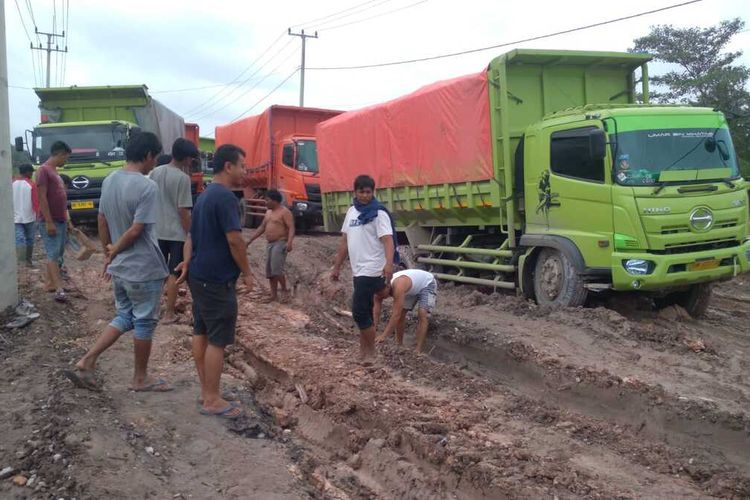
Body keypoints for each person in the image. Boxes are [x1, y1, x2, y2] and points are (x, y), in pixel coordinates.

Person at [66, 132, 171, 392]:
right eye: (155, 157)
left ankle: (87, 359)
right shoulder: (147, 186)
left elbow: (101, 219)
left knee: (125, 315)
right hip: (143, 267)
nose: (154, 163)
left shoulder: (110, 179)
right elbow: (137, 230)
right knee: (144, 322)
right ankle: (140, 378)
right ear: (148, 155)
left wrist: (108, 253)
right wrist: (113, 252)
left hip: (122, 267)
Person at [176, 144, 252, 419]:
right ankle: (211, 399)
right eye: (242, 166)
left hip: (200, 275)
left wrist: (187, 263)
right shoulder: (226, 198)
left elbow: (191, 236)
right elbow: (235, 240)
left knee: (202, 332)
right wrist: (248, 273)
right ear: (229, 166)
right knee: (218, 341)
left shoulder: (205, 195)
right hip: (217, 279)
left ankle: (207, 390)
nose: (245, 172)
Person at [331, 174, 396, 360]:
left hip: (372, 269)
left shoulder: (379, 213)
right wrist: (336, 267)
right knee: (366, 311)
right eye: (362, 192)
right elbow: (344, 242)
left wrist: (389, 265)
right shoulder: (352, 212)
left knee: (359, 312)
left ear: (372, 192)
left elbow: (388, 240)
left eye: (369, 192)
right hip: (358, 269)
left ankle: (372, 354)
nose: (365, 195)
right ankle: (363, 352)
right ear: (355, 192)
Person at [150, 138, 198, 323]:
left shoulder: (155, 172)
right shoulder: (182, 178)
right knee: (174, 273)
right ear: (186, 158)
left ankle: (153, 310)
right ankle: (169, 313)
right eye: (191, 159)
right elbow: (183, 211)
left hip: (156, 230)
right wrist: (191, 233)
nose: (191, 162)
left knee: (157, 272)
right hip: (176, 233)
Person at [37, 141, 71, 302]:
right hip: (50, 220)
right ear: (59, 154)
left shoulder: (54, 171)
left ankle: (50, 283)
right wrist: (48, 222)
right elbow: (42, 197)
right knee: (53, 254)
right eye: (65, 157)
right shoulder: (43, 170)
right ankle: (59, 289)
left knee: (58, 253)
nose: (66, 160)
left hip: (60, 219)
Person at [247, 189, 295, 302]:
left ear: (274, 200)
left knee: (276, 270)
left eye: (267, 200)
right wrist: (250, 240)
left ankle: (284, 290)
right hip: (270, 244)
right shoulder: (268, 213)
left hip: (280, 243)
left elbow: (291, 227)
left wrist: (289, 242)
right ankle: (273, 295)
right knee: (270, 272)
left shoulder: (285, 212)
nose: (265, 202)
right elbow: (262, 227)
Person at [375, 269, 438, 353]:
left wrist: (384, 336)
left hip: (427, 284)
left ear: (388, 286)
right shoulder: (377, 291)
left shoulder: (398, 286)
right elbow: (375, 312)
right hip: (410, 288)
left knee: (422, 314)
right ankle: (399, 345)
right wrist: (373, 330)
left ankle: (418, 350)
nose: (381, 296)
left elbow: (395, 314)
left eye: (382, 294)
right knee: (401, 315)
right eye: (379, 295)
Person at [13, 164, 39, 268]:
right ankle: (28, 261)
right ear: (27, 172)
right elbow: (36, 202)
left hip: (15, 217)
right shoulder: (31, 185)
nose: (32, 174)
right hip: (30, 217)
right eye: (31, 172)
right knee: (30, 239)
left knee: (19, 239)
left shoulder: (11, 182)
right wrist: (38, 215)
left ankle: (21, 262)